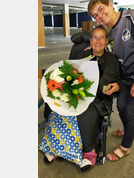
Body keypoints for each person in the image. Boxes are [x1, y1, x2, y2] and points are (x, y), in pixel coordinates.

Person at [39, 25, 121, 172]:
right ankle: (55, 146)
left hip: (98, 99)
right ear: (90, 40)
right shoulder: (80, 54)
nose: (98, 41)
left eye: (101, 38)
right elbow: (68, 72)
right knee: (54, 106)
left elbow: (118, 81)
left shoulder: (112, 60)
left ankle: (89, 152)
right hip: (76, 92)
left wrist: (117, 86)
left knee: (84, 113)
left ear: (106, 40)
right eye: (94, 37)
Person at [87, 0, 134, 161]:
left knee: (132, 110)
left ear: (110, 5)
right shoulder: (110, 32)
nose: (99, 16)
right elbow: (114, 53)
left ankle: (125, 148)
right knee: (121, 105)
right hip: (127, 75)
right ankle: (128, 129)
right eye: (95, 15)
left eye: (100, 9)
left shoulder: (131, 17)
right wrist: (95, 45)